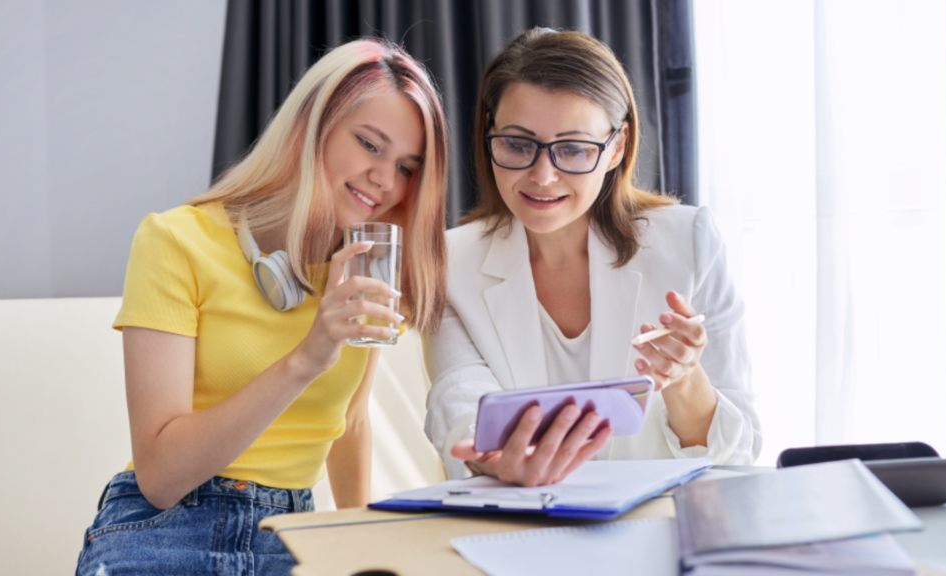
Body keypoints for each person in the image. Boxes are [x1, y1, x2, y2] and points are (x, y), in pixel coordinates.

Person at [75, 39, 448, 575]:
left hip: (292, 533)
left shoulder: (361, 264)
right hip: (165, 528)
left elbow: (353, 420)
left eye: (408, 168)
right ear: (309, 127)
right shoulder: (176, 241)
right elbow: (160, 478)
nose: (385, 181)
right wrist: (306, 356)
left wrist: (367, 545)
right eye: (369, 144)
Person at [423, 28, 760, 485]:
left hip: (667, 526)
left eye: (574, 149)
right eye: (519, 145)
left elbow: (739, 451)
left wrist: (684, 380)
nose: (543, 176)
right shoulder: (449, 261)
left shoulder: (688, 241)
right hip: (524, 527)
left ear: (616, 147)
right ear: (489, 134)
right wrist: (494, 457)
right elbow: (462, 410)